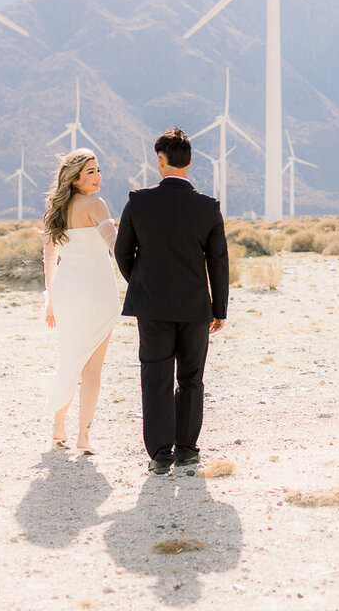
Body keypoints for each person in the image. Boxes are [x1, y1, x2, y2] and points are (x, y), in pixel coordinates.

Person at [114, 127, 229, 475]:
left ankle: (160, 455)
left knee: (156, 377)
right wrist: (219, 308)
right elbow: (218, 261)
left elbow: (122, 252)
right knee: (192, 377)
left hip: (152, 307)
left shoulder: (139, 201)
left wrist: (142, 283)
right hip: (195, 308)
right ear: (191, 161)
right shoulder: (208, 208)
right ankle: (188, 450)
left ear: (160, 163)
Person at [41, 148, 119, 454]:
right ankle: (83, 436)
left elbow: (49, 258)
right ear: (74, 178)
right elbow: (115, 245)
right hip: (97, 289)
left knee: (69, 357)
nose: (98, 177)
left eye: (98, 170)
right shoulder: (95, 204)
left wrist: (50, 300)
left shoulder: (54, 211)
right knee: (92, 368)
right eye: (90, 172)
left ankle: (58, 426)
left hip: (66, 290)